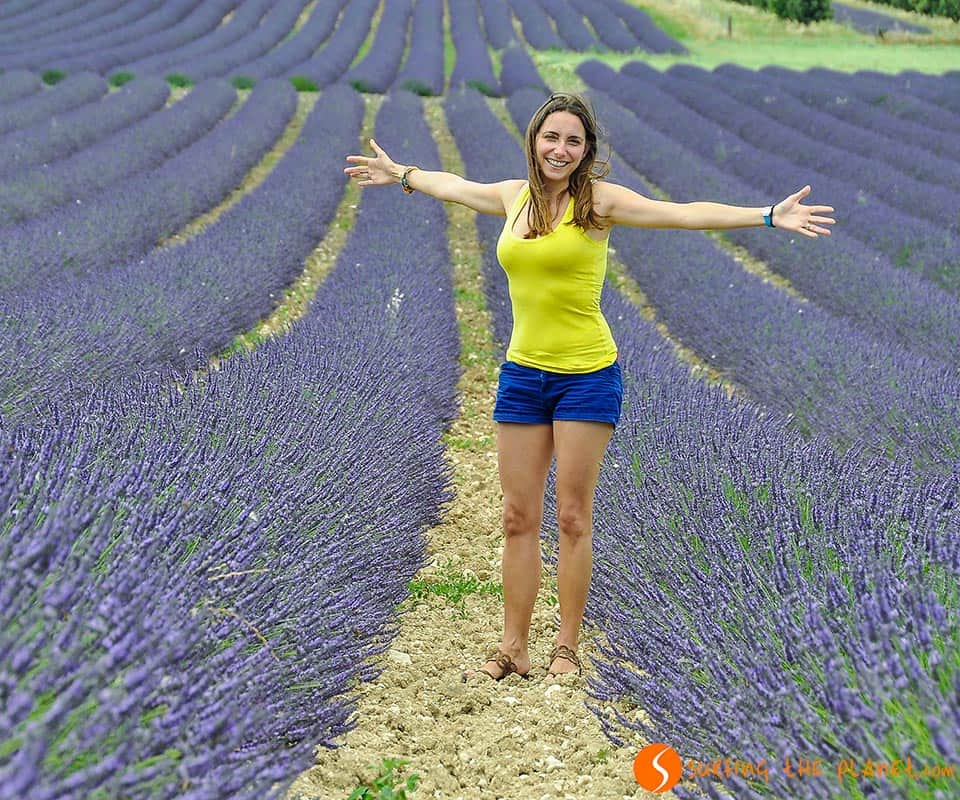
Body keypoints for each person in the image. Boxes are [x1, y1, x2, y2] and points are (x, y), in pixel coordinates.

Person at [343, 92, 834, 684]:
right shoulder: (513, 197)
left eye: (573, 141)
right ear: (534, 141)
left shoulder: (598, 203)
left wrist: (765, 215)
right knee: (517, 517)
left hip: (587, 377)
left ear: (586, 151)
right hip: (522, 375)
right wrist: (404, 175)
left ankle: (567, 647)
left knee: (573, 517)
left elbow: (679, 213)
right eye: (552, 137)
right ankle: (514, 646)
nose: (561, 149)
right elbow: (455, 185)